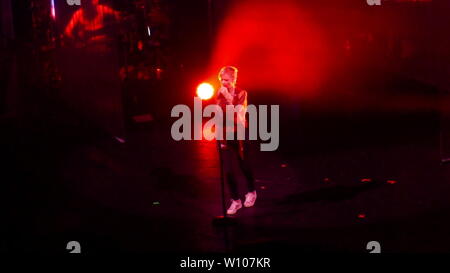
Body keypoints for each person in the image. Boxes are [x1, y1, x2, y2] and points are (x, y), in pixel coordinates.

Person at [216, 66, 257, 215]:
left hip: (239, 134)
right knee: (228, 171)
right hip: (225, 135)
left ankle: (252, 191)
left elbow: (239, 116)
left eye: (226, 80)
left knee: (244, 166)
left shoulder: (241, 93)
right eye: (221, 80)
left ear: (233, 79)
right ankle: (235, 200)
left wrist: (228, 97)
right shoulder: (219, 93)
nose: (223, 82)